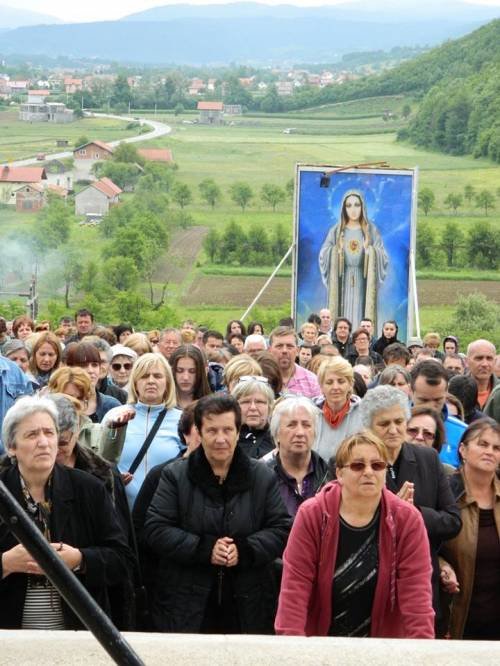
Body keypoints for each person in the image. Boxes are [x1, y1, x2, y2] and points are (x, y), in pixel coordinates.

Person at [142, 394, 291, 633]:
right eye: (212, 431)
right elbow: (156, 529)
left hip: (249, 601)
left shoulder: (261, 476)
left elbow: (281, 528)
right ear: (199, 432)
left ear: (237, 431)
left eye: (227, 430)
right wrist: (204, 548)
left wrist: (244, 549)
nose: (220, 439)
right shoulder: (175, 475)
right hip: (185, 601)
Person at [275, 430, 435, 637]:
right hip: (322, 643)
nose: (369, 472)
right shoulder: (312, 514)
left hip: (383, 646)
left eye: (377, 465)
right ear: (339, 473)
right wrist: (290, 648)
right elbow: (295, 587)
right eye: (358, 465)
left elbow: (417, 593)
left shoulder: (408, 519)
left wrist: (422, 651)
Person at [0, 396, 133, 630]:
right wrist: (6, 563)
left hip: (77, 632)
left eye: (49, 433)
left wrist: (80, 559)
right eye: (32, 435)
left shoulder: (89, 488)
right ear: (12, 446)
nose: (44, 442)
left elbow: (121, 560)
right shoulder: (3, 490)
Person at [359, 385, 462, 621]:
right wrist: (390, 509)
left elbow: (453, 521)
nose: (394, 430)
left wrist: (412, 512)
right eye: (384, 424)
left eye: (399, 421)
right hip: (370, 581)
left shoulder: (428, 458)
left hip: (420, 580)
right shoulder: (352, 461)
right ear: (368, 427)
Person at [439, 418, 500, 640]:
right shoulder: (446, 493)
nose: (490, 452)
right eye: (482, 444)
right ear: (463, 450)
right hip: (455, 620)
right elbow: (426, 546)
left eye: (496, 448)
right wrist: (442, 566)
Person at [110, 353, 184, 508]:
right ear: (135, 382)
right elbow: (99, 462)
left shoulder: (182, 421)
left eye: (157, 376)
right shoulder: (115, 416)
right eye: (144, 376)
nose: (151, 381)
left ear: (168, 382)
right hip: (122, 512)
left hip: (166, 513)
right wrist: (113, 479)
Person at [319, 190, 388, 329]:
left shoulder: (370, 230)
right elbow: (324, 253)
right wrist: (336, 252)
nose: (353, 209)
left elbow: (383, 255)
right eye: (349, 205)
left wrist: (369, 250)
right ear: (344, 209)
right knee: (343, 308)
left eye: (357, 205)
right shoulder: (337, 231)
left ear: (363, 207)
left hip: (362, 281)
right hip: (343, 280)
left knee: (360, 308)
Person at [266, 396, 328, 518]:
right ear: (276, 433)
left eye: (306, 425)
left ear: (315, 433)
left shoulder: (329, 474)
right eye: (291, 425)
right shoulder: (262, 477)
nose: (300, 432)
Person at [411, 360, 467, 467]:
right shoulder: (395, 428)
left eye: (438, 400)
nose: (431, 407)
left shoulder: (463, 434)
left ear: (446, 393)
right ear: (411, 391)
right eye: (424, 400)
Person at [313, 356, 363, 463]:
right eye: (329, 382)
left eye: (341, 381)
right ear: (321, 386)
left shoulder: (364, 412)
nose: (335, 387)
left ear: (350, 384)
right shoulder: (310, 412)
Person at [64, 342, 120, 422]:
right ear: (71, 368)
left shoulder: (112, 406)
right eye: (83, 365)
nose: (90, 371)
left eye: (94, 365)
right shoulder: (59, 404)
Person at [269, 326, 321, 399]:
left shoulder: (312, 381)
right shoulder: (262, 379)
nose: (284, 350)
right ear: (270, 350)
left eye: (289, 346)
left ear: (297, 351)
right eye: (279, 346)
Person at [231, 377, 274, 459]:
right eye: (246, 402)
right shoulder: (228, 439)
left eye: (259, 402)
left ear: (270, 407)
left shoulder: (279, 439)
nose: (253, 407)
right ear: (235, 407)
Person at [169, 344, 211, 409]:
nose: (186, 377)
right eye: (180, 370)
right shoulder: (160, 404)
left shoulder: (211, 405)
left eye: (192, 371)